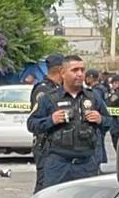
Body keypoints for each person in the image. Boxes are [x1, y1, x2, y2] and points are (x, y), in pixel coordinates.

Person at [27, 56, 111, 190]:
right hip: (58, 164)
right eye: (75, 70)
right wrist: (51, 120)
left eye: (82, 70)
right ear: (63, 72)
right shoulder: (49, 98)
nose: (80, 74)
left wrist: (100, 119)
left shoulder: (93, 97)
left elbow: (109, 122)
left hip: (86, 164)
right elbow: (31, 124)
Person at [30, 54, 64, 191]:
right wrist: (52, 120)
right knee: (44, 187)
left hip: (57, 146)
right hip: (45, 145)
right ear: (61, 70)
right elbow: (35, 122)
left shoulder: (58, 89)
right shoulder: (43, 91)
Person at [84, 68, 108, 164]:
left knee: (98, 145)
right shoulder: (103, 88)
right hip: (102, 118)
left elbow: (92, 105)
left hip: (97, 119)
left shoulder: (96, 91)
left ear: (90, 78)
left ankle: (100, 164)